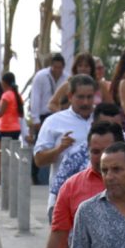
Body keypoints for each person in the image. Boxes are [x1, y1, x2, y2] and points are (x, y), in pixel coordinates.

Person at [34, 74, 97, 213]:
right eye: (80, 97)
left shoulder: (102, 118)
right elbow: (38, 160)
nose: (86, 102)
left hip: (98, 202)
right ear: (70, 97)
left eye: (89, 97)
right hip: (63, 201)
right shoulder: (53, 122)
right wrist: (59, 149)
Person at [28, 53, 67, 142]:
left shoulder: (66, 78)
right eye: (55, 67)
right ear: (51, 66)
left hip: (60, 116)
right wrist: (35, 119)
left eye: (59, 67)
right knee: (42, 144)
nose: (57, 70)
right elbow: (35, 97)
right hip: (44, 116)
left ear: (63, 67)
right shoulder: (40, 76)